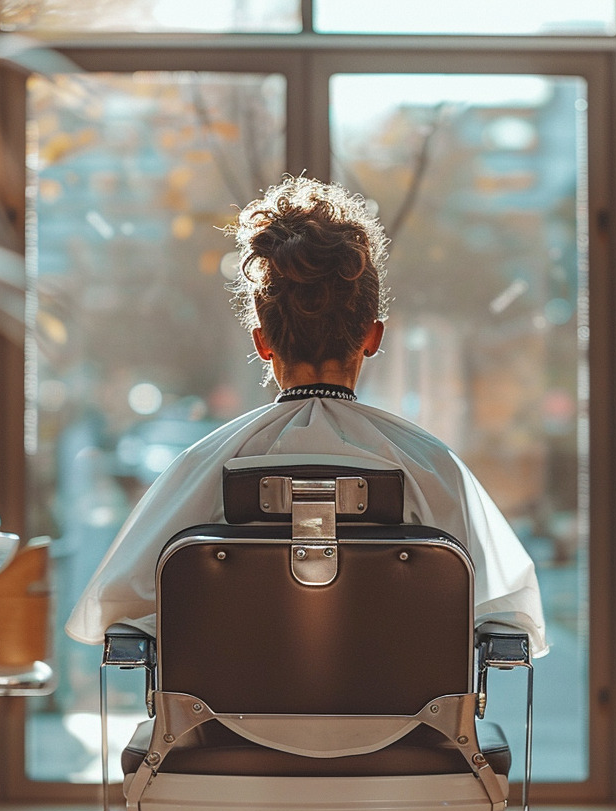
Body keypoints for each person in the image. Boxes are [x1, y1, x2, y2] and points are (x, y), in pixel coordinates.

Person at [66, 176, 547, 657]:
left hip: (228, 728)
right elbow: (506, 616)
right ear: (373, 337)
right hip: (406, 731)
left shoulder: (202, 466)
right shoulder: (432, 467)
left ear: (262, 343)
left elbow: (119, 611)